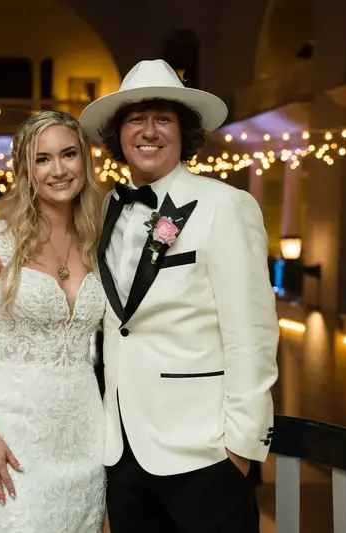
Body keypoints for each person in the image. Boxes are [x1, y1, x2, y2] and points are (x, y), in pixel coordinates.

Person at [78, 59, 279, 533]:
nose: (149, 131)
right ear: (118, 134)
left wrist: (241, 448)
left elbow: (252, 333)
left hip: (205, 453)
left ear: (183, 132)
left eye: (163, 119)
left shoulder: (226, 206)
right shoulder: (106, 208)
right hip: (123, 454)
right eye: (135, 119)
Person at [0, 109, 106, 532]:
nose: (59, 169)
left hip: (86, 435)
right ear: (25, 171)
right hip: (12, 435)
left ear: (84, 159)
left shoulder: (101, 240)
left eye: (68, 154)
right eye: (43, 159)